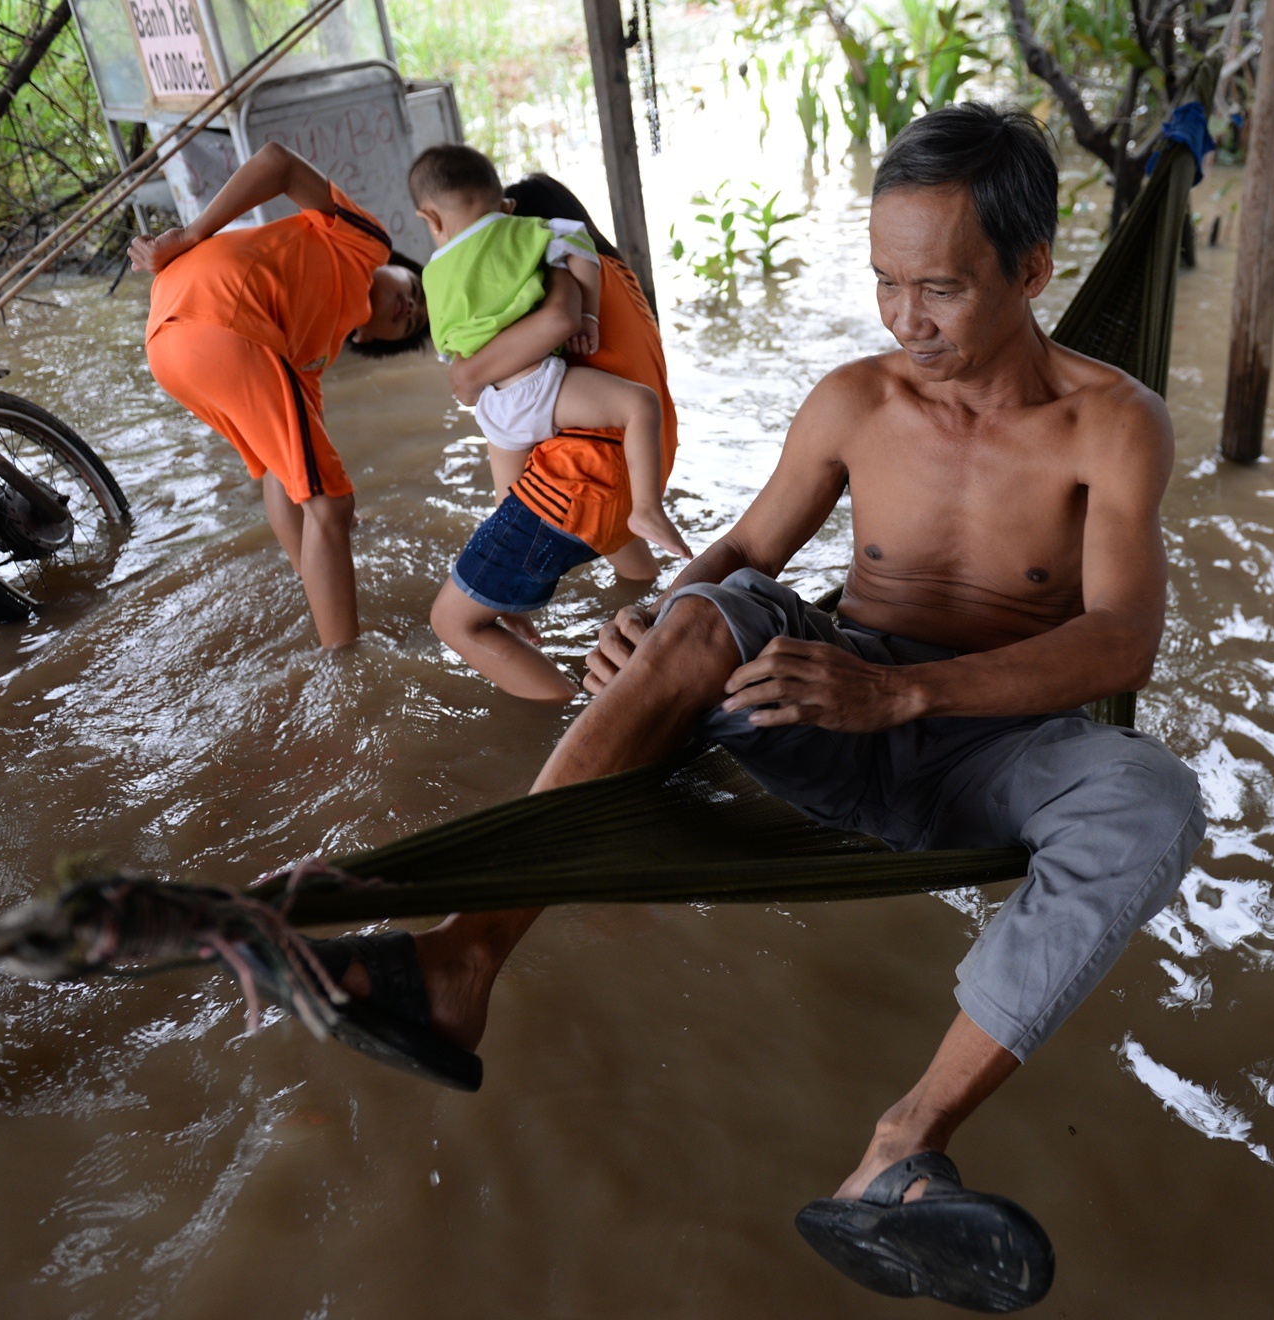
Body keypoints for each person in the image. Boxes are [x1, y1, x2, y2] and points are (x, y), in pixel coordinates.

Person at [311, 107, 1205, 1310]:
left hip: (995, 747)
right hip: (825, 718)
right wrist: (656, 615)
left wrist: (905, 690)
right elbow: (742, 549)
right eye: (886, 283)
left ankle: (900, 1150)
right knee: (701, 615)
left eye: (939, 289)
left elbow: (1119, 640)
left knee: (1152, 800)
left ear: (1033, 273)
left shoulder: (1113, 424)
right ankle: (464, 962)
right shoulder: (857, 401)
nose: (905, 320)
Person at [130, 143, 428, 649]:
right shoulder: (364, 243)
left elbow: (280, 471)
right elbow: (277, 162)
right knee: (333, 507)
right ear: (395, 265)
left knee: (307, 492)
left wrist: (317, 562)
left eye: (412, 323)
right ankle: (346, 666)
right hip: (219, 320)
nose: (411, 307)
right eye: (416, 289)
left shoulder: (309, 358)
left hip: (170, 350)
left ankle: (316, 594)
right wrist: (192, 234)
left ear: (369, 340)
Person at [420, 174, 685, 702]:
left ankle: (567, 716)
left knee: (453, 621)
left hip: (579, 483)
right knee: (628, 563)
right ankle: (655, 636)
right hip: (640, 467)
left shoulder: (547, 289)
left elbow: (480, 394)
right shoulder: (619, 278)